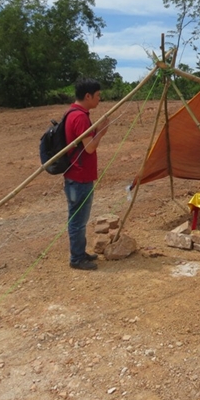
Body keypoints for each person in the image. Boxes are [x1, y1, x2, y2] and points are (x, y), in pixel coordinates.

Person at [63, 77, 109, 270]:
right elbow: (89, 148)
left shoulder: (74, 113)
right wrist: (101, 131)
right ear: (88, 95)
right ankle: (76, 259)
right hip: (79, 177)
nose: (100, 99)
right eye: (98, 96)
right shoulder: (80, 117)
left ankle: (80, 253)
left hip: (76, 175)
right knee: (78, 221)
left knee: (79, 219)